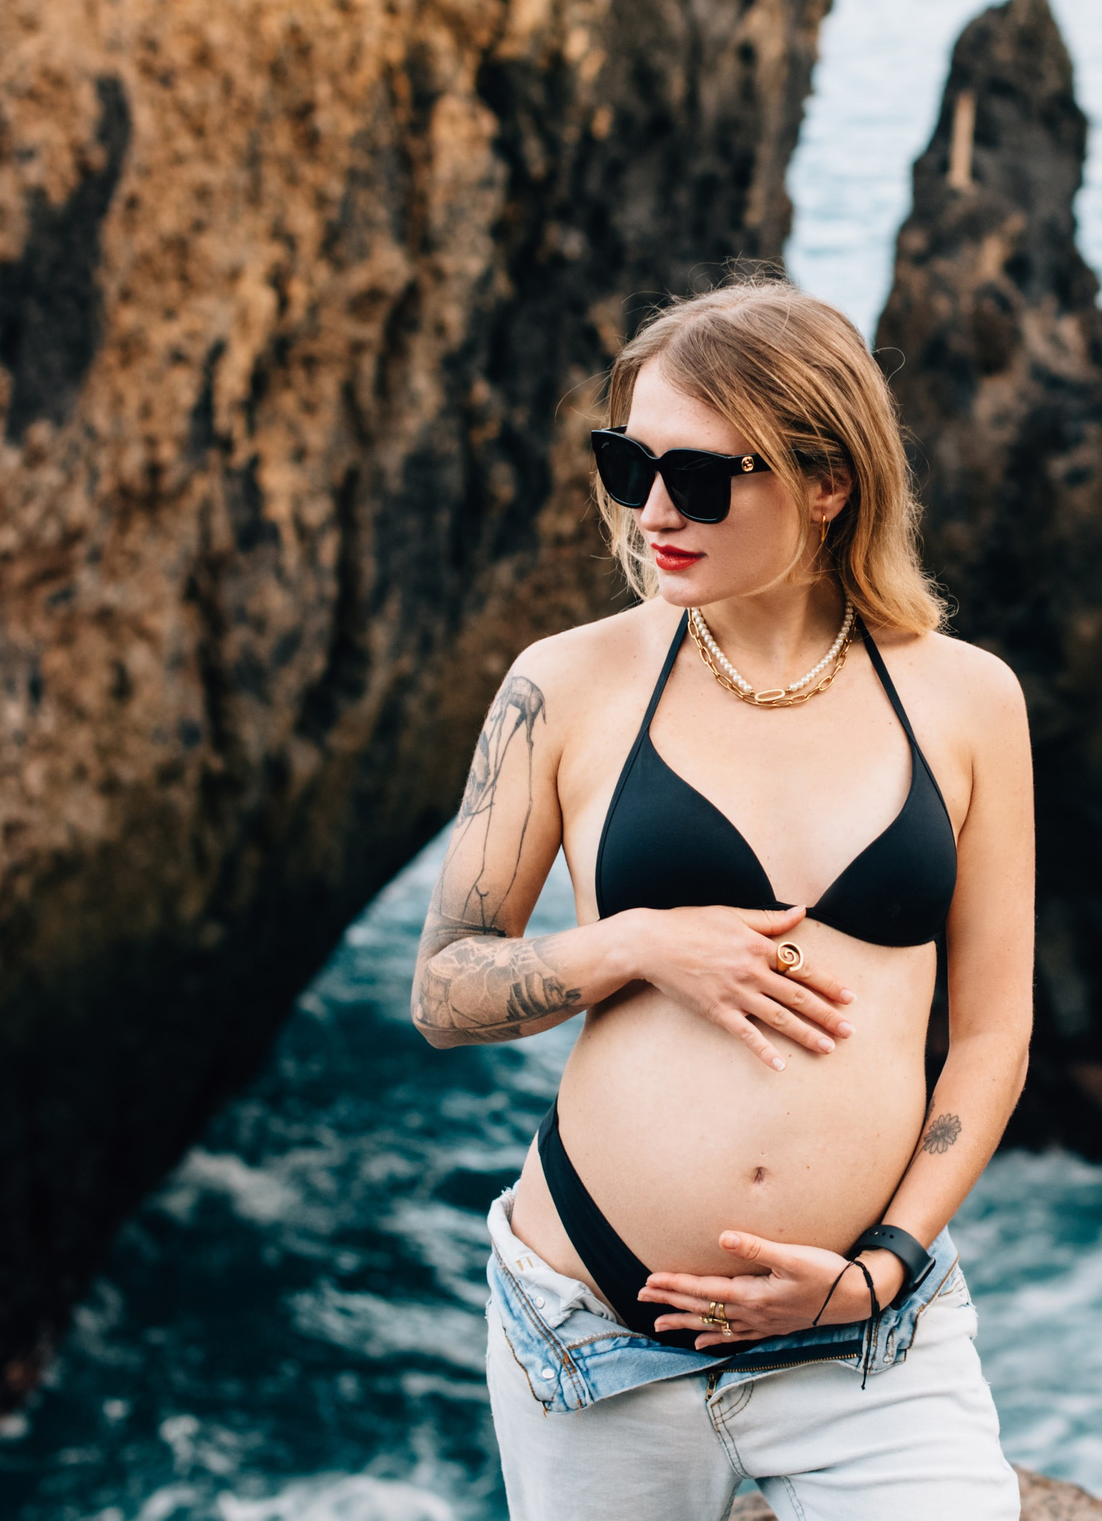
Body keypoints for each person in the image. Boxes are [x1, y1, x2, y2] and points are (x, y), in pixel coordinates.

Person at [408, 277, 1036, 1520]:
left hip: (866, 1335)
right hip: (593, 1329)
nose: (653, 513)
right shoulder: (568, 684)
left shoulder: (967, 700)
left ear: (826, 480)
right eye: (626, 465)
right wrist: (640, 942)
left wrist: (876, 1272)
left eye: (699, 478)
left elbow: (991, 1033)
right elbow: (442, 989)